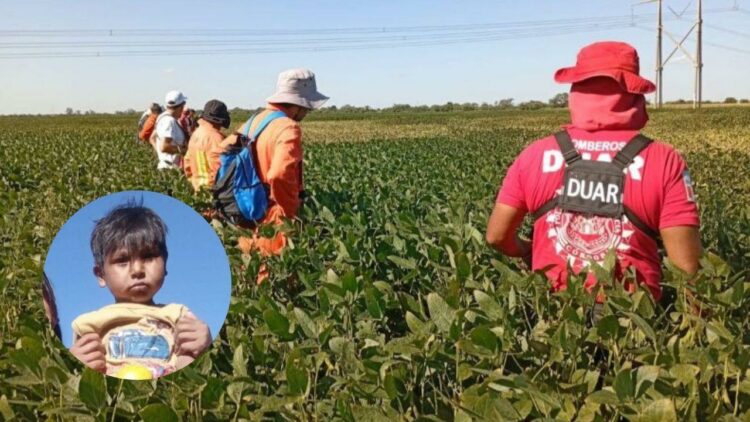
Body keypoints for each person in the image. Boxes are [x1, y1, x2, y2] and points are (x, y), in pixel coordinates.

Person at [486, 41, 701, 303]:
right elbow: (687, 270)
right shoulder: (664, 160)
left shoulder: (534, 154)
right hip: (632, 321)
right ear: (634, 93)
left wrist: (526, 250)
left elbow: (496, 236)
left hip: (555, 317)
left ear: (576, 90)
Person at [69, 201, 211, 379]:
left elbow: (190, 361)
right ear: (101, 275)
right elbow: (80, 375)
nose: (137, 270)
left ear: (165, 265)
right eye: (122, 260)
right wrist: (76, 362)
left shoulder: (177, 315)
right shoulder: (89, 323)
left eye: (149, 256)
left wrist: (203, 343)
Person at [228, 68, 328, 273]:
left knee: (253, 279)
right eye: (307, 107)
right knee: (277, 279)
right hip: (274, 220)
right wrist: (290, 213)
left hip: (247, 216)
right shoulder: (287, 127)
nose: (307, 112)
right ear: (298, 103)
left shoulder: (251, 123)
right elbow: (278, 174)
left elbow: (221, 156)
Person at [183, 99, 231, 192]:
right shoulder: (215, 138)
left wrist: (194, 182)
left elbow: (187, 162)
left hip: (197, 188)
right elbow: (220, 170)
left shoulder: (196, 133)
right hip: (211, 190)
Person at [151, 90, 188, 170]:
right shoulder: (169, 121)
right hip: (170, 168)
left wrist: (160, 155)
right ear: (181, 106)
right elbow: (164, 146)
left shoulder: (162, 117)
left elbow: (152, 138)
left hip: (166, 165)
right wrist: (182, 150)